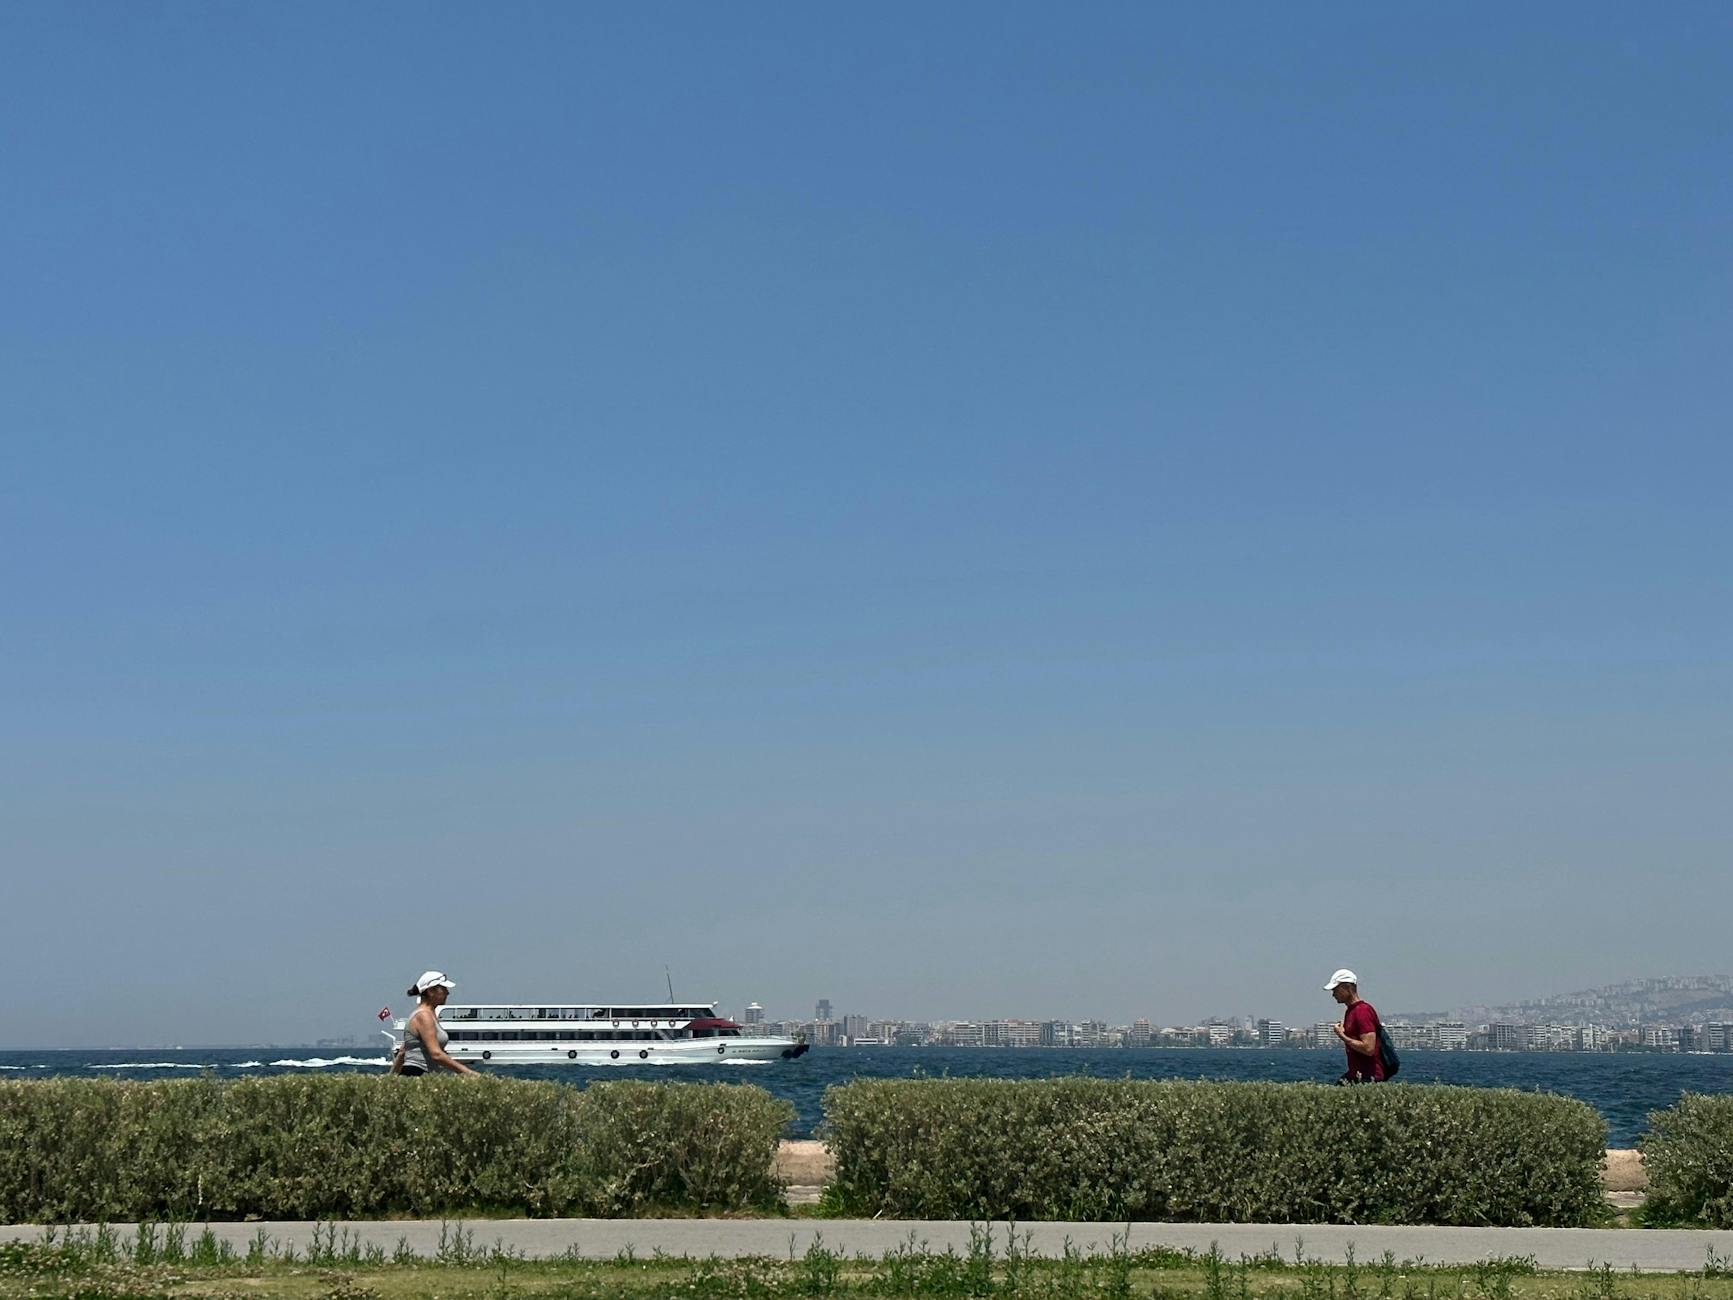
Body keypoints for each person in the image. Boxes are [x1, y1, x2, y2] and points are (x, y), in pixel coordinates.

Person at [391, 970, 478, 1077]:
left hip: (421, 1074)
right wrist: (470, 1073)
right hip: (417, 1074)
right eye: (444, 989)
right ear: (431, 991)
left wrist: (390, 1078)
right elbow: (436, 1054)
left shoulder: (429, 1015)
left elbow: (403, 1051)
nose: (447, 993)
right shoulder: (424, 1016)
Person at [1324, 968, 1384, 1082]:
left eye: (1335, 990)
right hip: (1356, 1074)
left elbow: (1368, 1048)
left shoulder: (1362, 1011)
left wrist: (1342, 1036)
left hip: (1369, 1076)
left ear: (1347, 987)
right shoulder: (1351, 1011)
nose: (1333, 994)